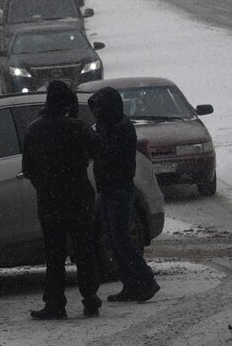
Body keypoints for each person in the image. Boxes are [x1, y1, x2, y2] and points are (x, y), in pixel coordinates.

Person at [22, 80, 102, 320]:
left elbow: (28, 169)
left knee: (54, 256)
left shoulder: (34, 130)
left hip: (50, 202)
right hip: (78, 198)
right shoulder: (77, 128)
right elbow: (98, 149)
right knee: (85, 252)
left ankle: (55, 303)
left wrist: (45, 185)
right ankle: (90, 300)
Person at [89, 87, 160, 303]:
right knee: (115, 237)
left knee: (121, 238)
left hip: (119, 187)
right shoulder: (110, 125)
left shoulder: (119, 127)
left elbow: (109, 155)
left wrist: (97, 143)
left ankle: (145, 280)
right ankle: (131, 284)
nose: (97, 113)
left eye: (99, 108)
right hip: (111, 187)